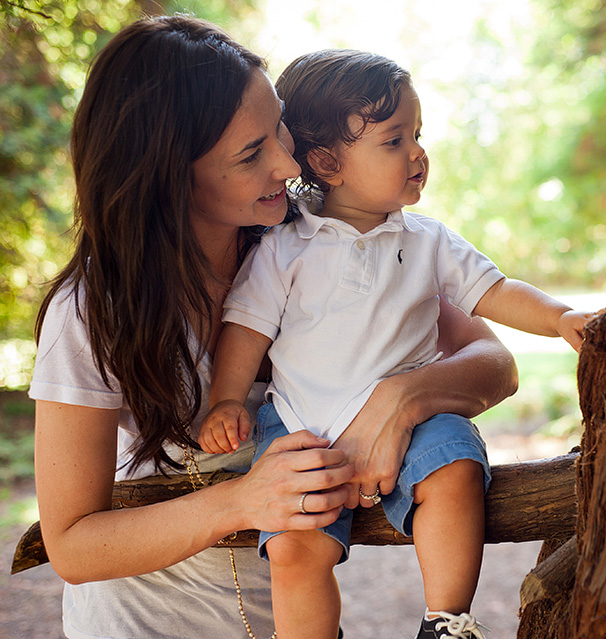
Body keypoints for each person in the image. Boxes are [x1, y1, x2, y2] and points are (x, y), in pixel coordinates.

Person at [29, 17, 518, 639]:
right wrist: (243, 501)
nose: (290, 163)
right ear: (170, 174)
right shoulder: (95, 309)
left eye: (279, 127)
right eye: (252, 153)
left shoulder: (312, 243)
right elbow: (71, 545)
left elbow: (494, 363)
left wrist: (399, 399)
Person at [198, 49, 595, 639]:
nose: (418, 153)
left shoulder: (430, 241)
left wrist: (562, 318)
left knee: (456, 468)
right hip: (302, 423)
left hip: (416, 424)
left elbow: (497, 291)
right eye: (393, 141)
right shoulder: (287, 245)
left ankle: (447, 620)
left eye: (417, 134)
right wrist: (227, 399)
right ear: (328, 162)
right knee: (293, 549)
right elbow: (246, 328)